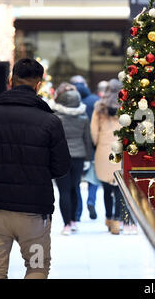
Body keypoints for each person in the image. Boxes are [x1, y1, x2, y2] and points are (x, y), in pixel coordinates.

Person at [0, 58, 71, 279]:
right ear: (39, 84)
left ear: (11, 81)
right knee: (37, 267)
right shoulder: (50, 122)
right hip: (34, 213)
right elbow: (61, 167)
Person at [91, 79, 133, 234]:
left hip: (103, 150)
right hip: (120, 149)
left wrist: (97, 144)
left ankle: (109, 218)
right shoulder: (127, 107)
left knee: (107, 188)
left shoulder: (99, 108)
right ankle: (117, 219)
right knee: (119, 188)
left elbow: (94, 131)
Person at [50, 83, 92, 235]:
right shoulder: (84, 117)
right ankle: (74, 221)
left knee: (64, 191)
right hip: (79, 156)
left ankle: (66, 224)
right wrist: (88, 157)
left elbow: (52, 140)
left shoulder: (55, 117)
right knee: (75, 189)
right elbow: (87, 139)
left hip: (61, 157)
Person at [71, 75, 100, 220]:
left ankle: (77, 212)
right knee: (92, 177)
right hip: (93, 143)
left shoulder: (72, 102)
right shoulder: (95, 100)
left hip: (76, 145)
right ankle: (91, 200)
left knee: (75, 180)